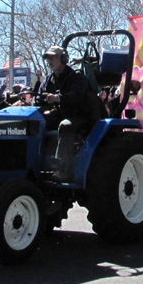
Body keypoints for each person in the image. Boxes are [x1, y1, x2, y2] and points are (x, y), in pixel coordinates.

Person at [39, 45, 95, 182]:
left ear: (63, 58)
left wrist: (59, 98)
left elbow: (76, 96)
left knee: (66, 126)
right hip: (60, 113)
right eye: (48, 58)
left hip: (80, 116)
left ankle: (62, 170)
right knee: (37, 121)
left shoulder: (76, 76)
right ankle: (39, 163)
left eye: (53, 57)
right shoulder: (49, 79)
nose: (50, 61)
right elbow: (39, 95)